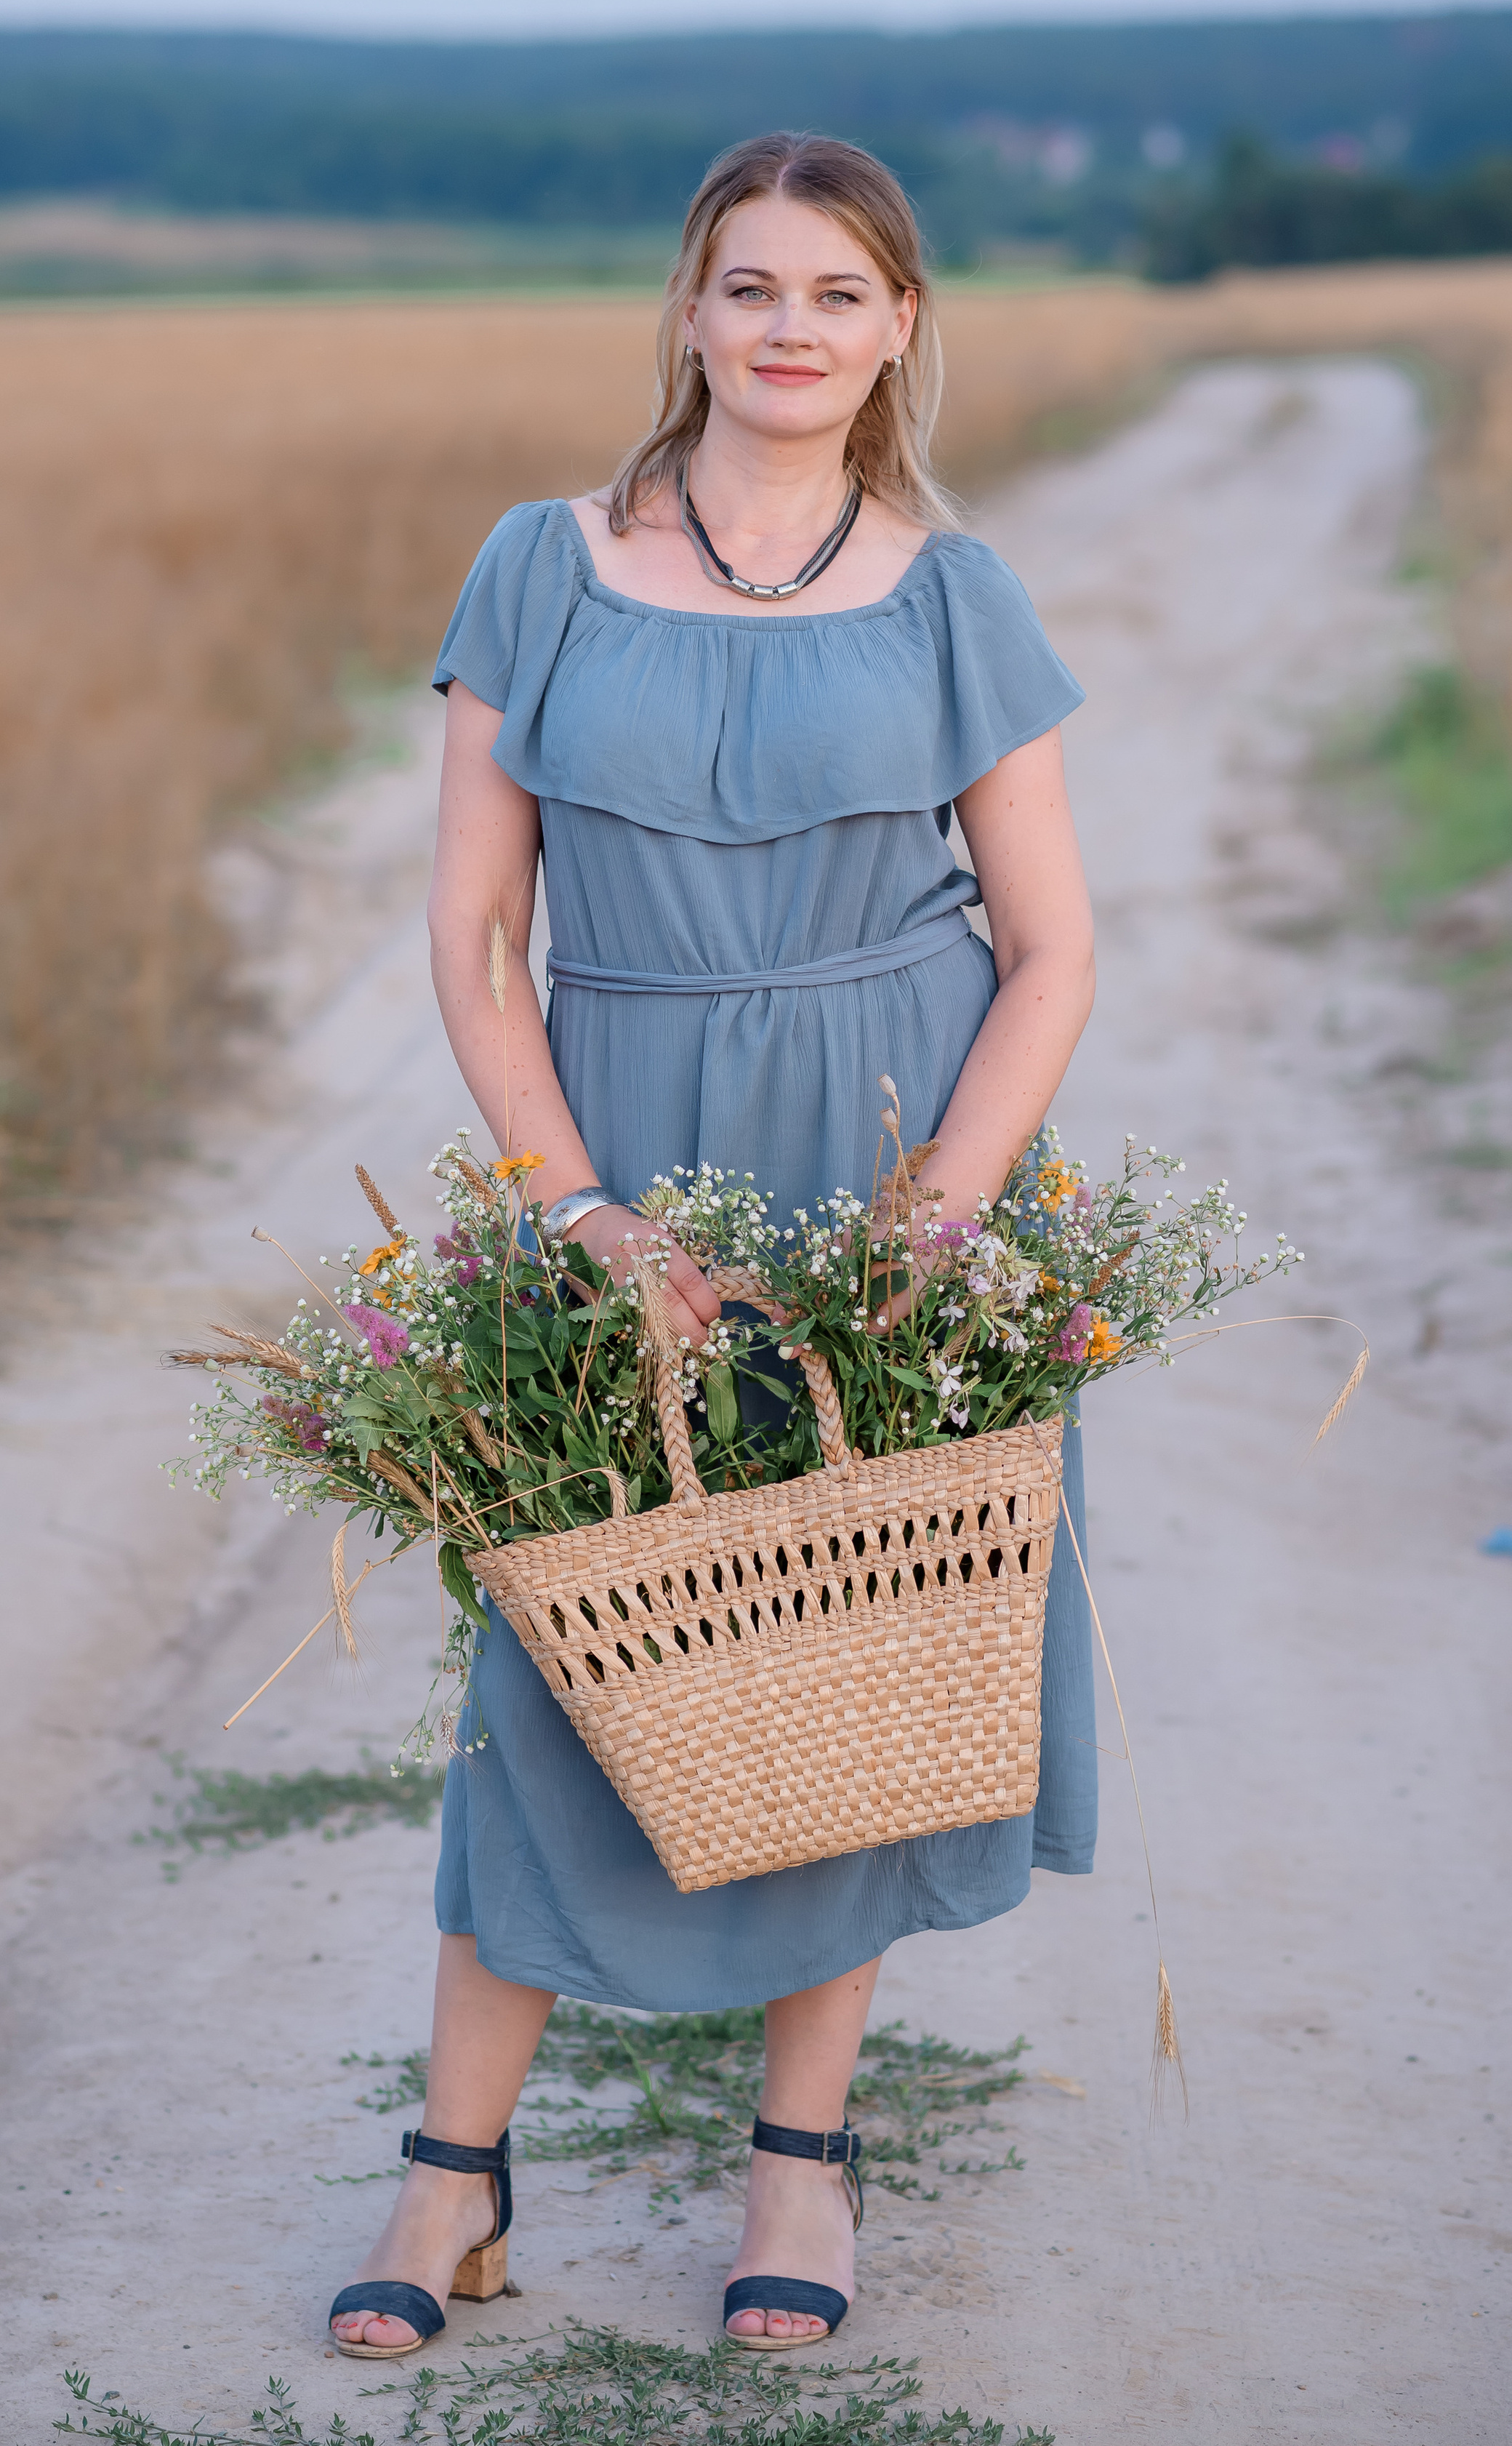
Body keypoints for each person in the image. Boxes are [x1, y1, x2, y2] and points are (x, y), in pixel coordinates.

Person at [329, 132, 1098, 2360]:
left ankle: (802, 2163)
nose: (788, 329)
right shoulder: (544, 567)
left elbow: (1050, 948)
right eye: (748, 287)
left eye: (837, 295)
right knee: (556, 1650)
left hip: (890, 1156)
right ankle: (450, 2176)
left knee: (849, 1648)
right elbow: (477, 925)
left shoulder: (961, 596)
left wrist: (930, 1223)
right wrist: (575, 1204)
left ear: (901, 328)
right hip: (624, 1143)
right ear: (687, 312)